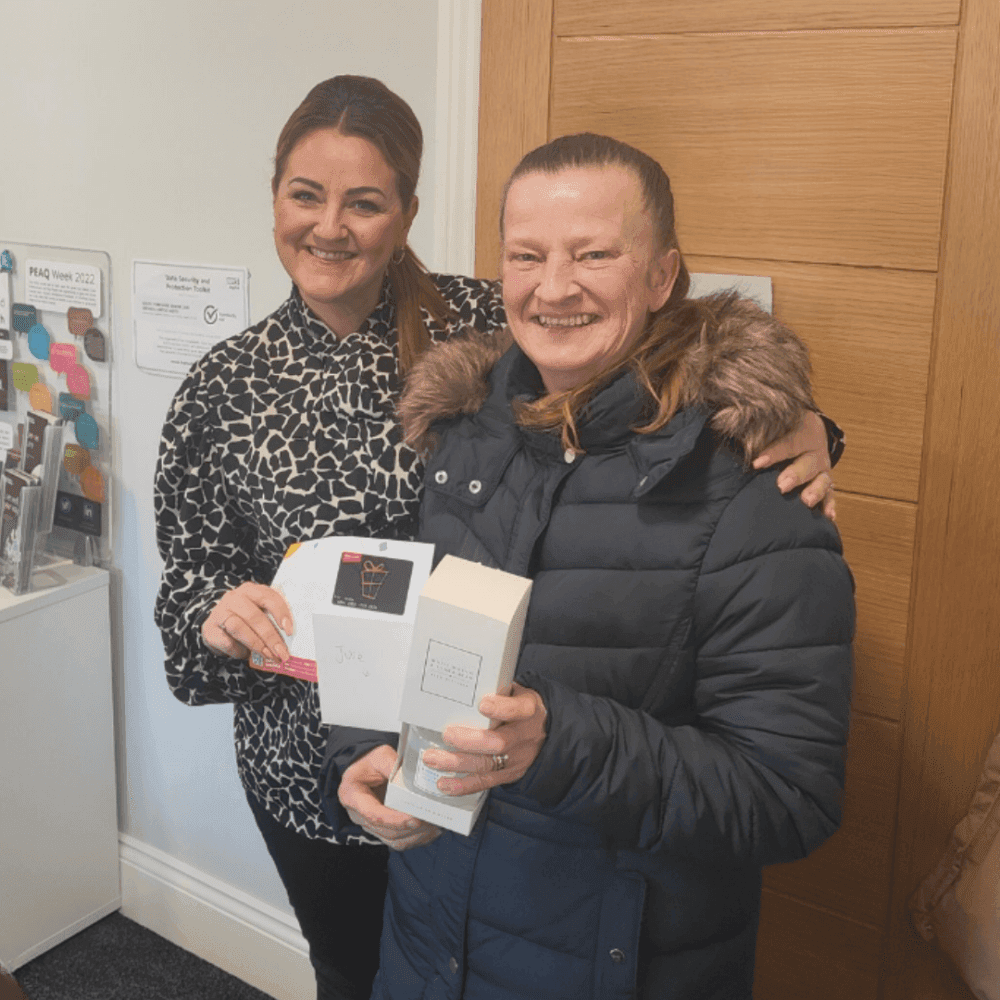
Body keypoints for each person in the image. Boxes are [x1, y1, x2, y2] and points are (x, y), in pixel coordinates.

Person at [154, 75, 839, 1000]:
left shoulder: (488, 326)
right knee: (351, 971)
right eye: (305, 195)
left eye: (365, 201)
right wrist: (214, 612)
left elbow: (669, 370)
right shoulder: (223, 387)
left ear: (407, 214)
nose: (331, 227)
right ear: (274, 197)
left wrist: (794, 424)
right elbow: (189, 573)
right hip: (317, 749)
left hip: (511, 778)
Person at [327, 133, 855, 1000]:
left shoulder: (754, 486)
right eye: (526, 256)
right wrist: (360, 751)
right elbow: (387, 625)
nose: (555, 286)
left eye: (594, 254)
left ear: (661, 276)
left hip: (613, 965)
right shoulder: (457, 441)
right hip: (426, 943)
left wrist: (560, 743)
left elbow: (788, 793)